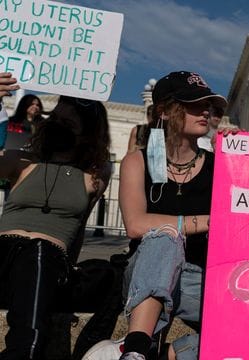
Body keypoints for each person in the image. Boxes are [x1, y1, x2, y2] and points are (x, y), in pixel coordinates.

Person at [83, 71, 229, 360]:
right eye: (193, 103)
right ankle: (136, 351)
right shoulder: (138, 161)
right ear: (164, 110)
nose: (206, 110)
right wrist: (208, 221)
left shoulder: (220, 166)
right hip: (145, 274)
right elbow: (136, 225)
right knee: (164, 236)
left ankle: (164, 354)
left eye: (209, 104)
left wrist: (241, 155)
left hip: (200, 281)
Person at [0, 72, 112, 359]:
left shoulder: (94, 175)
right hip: (4, 253)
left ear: (88, 131)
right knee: (31, 253)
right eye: (57, 120)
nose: (60, 125)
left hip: (47, 260)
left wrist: (69, 265)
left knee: (38, 253)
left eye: (70, 123)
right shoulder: (22, 160)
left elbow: (78, 227)